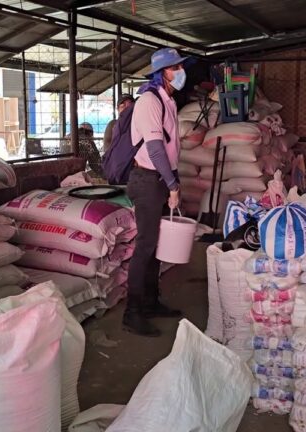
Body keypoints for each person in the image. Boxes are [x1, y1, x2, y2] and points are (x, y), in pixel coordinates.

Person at [123, 48, 187, 337]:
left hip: (160, 178)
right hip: (147, 179)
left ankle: (150, 302)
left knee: (155, 248)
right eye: (175, 68)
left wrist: (173, 180)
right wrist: (171, 184)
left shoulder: (167, 100)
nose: (181, 71)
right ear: (162, 73)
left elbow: (171, 148)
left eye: (180, 66)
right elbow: (154, 147)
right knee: (145, 246)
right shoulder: (149, 100)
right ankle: (132, 312)